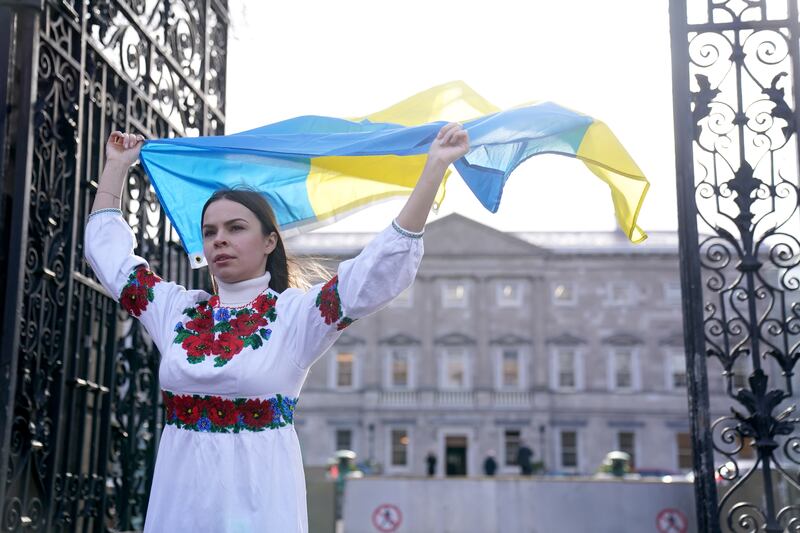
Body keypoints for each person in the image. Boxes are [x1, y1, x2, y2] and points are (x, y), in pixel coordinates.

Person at [85, 124, 469, 532]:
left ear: (270, 241)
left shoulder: (295, 317)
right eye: (210, 232)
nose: (219, 240)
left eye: (236, 228)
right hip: (180, 507)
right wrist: (116, 167)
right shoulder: (178, 313)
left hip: (259, 509)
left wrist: (433, 170)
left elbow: (376, 272)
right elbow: (108, 258)